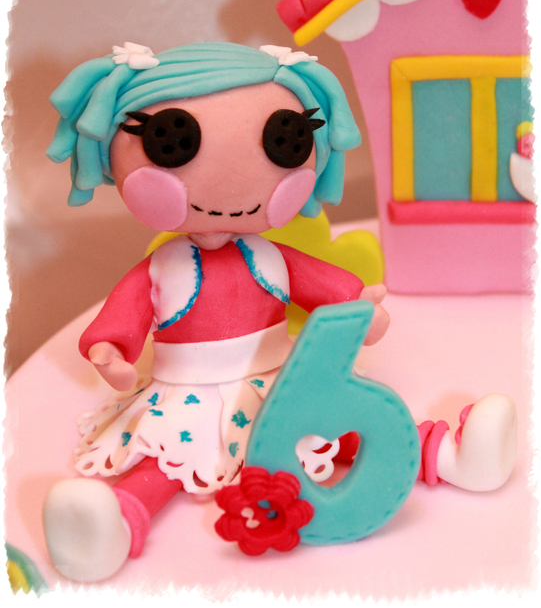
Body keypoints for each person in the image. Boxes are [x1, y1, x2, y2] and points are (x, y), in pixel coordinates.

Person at [43, 42, 517, 582]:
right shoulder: (162, 268)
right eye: (172, 142)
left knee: (345, 430)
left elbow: (332, 291)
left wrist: (361, 312)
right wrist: (111, 351)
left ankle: (453, 455)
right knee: (166, 462)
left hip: (282, 381)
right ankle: (116, 526)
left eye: (285, 142)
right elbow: (121, 320)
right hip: (187, 395)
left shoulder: (272, 257)